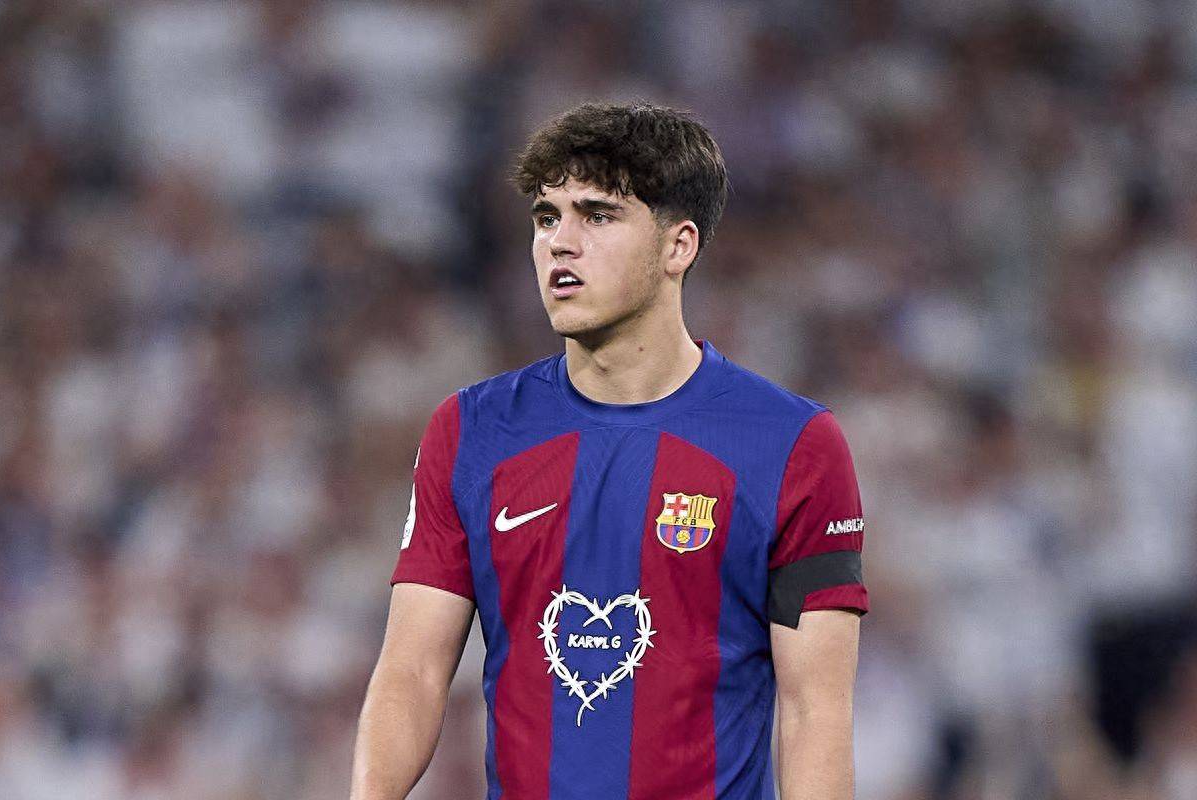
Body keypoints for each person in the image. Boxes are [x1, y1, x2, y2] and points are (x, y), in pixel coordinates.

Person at [350, 101, 868, 800]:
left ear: (678, 247)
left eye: (597, 215)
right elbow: (411, 673)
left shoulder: (794, 446)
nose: (560, 243)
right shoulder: (470, 431)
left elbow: (814, 715)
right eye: (546, 217)